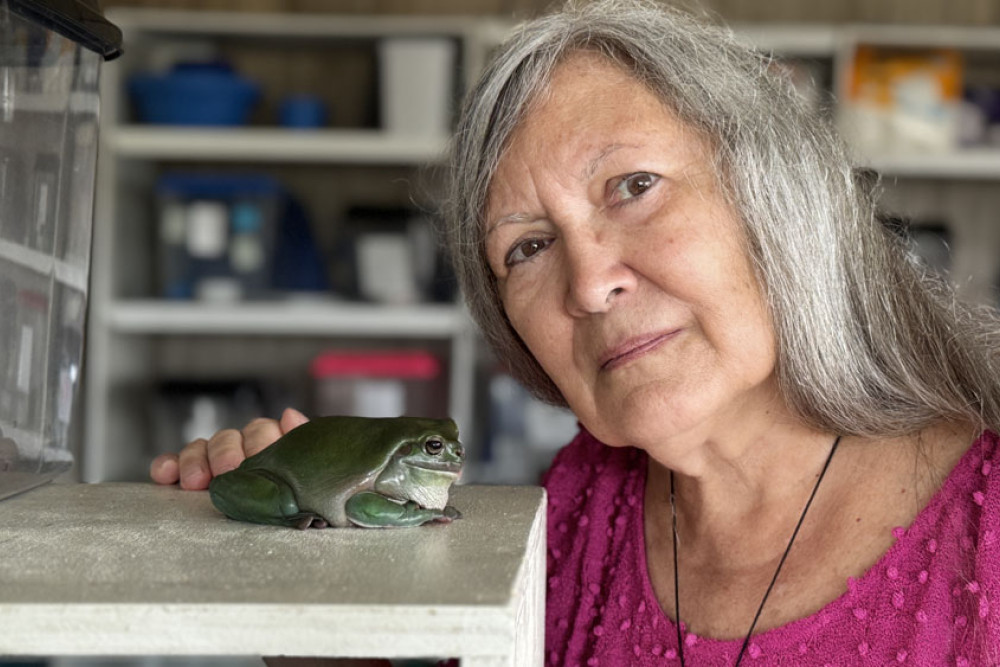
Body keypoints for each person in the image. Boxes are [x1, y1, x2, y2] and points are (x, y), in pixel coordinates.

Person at [152, 0, 1000, 664]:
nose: (591, 283)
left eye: (634, 184)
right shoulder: (574, 506)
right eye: (526, 246)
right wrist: (316, 604)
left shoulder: (983, 519)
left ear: (773, 197)